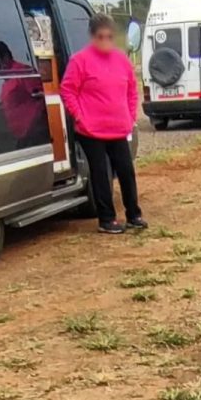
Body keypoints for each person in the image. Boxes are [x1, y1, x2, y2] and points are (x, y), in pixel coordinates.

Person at [60, 13, 147, 235]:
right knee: (100, 173)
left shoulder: (122, 61)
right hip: (91, 130)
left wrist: (130, 116)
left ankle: (134, 214)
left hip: (119, 127)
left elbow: (131, 91)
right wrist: (79, 116)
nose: (105, 41)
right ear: (92, 37)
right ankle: (106, 218)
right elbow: (68, 90)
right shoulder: (80, 61)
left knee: (126, 171)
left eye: (109, 36)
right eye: (101, 37)